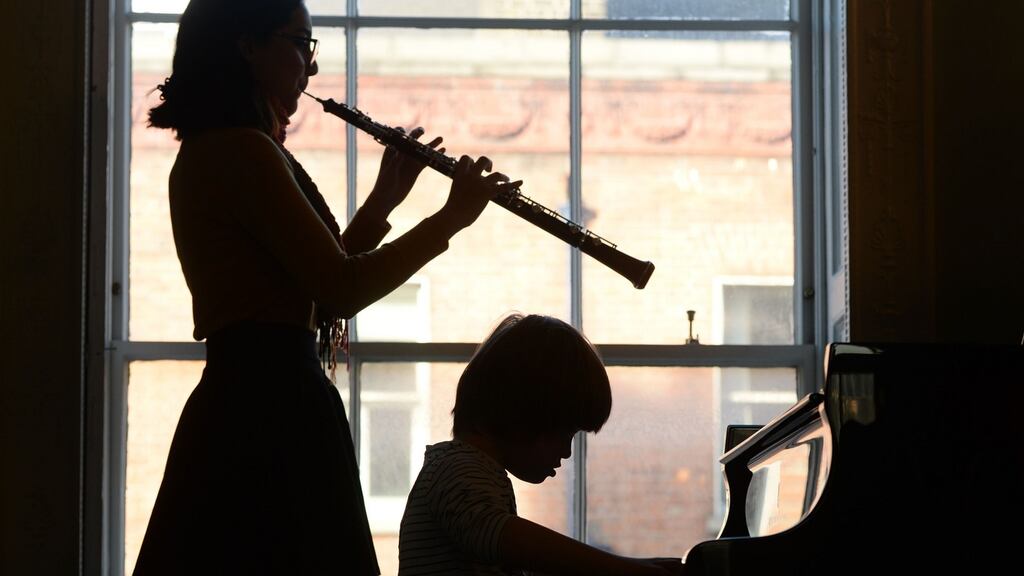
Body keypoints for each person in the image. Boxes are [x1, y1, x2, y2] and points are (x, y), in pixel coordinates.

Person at [133, 0, 519, 574]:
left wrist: (386, 197)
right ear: (247, 44)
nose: (309, 70)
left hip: (247, 400)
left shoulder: (226, 149)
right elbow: (339, 289)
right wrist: (449, 219)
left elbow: (318, 277)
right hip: (273, 409)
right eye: (300, 44)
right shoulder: (242, 150)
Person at [398, 314, 685, 576]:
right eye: (565, 433)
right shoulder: (456, 469)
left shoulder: (474, 473)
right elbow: (502, 537)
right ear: (525, 413)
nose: (567, 452)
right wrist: (626, 570)